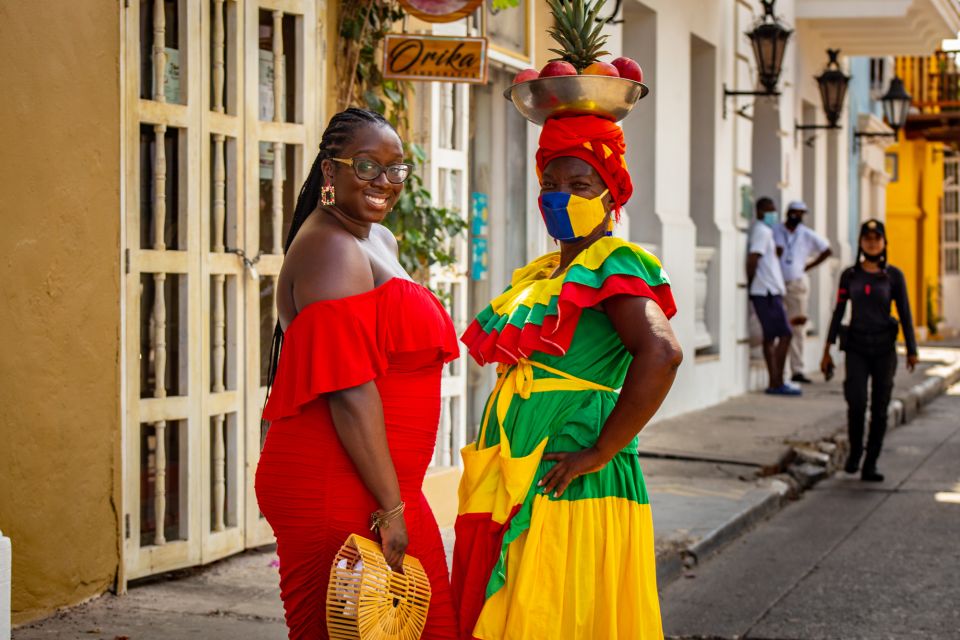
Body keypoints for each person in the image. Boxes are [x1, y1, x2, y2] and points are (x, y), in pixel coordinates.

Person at [452, 115, 683, 639]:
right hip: (516, 461)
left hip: (568, 464)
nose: (560, 197)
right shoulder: (545, 273)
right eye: (550, 185)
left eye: (579, 185)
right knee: (521, 604)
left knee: (553, 604)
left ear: (610, 196)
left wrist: (601, 451)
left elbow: (662, 353)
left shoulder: (615, 264)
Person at [254, 108, 459, 639]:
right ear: (331, 172)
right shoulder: (331, 247)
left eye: (396, 170)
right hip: (339, 482)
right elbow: (348, 390)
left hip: (378, 482)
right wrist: (390, 509)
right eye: (367, 166)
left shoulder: (377, 239)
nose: (384, 183)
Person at [821, 219, 918, 482]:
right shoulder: (850, 276)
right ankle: (855, 453)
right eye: (867, 238)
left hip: (884, 349)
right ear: (862, 242)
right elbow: (839, 311)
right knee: (856, 402)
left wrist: (912, 349)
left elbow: (905, 314)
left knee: (880, 407)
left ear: (885, 243)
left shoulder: (893, 276)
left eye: (877, 238)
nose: (872, 243)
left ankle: (871, 463)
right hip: (857, 347)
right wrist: (827, 349)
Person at [773, 200, 832, 384]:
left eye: (800, 213)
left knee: (797, 327)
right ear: (788, 212)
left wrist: (808, 266)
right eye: (794, 212)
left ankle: (797, 369)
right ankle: (778, 370)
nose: (797, 216)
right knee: (777, 326)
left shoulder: (806, 234)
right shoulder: (775, 231)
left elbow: (827, 250)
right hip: (776, 283)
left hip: (796, 284)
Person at [748, 197, 800, 396]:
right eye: (770, 210)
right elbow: (753, 258)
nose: (773, 214)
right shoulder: (762, 231)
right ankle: (777, 381)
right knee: (785, 334)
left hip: (768, 290)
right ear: (760, 212)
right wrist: (752, 284)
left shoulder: (763, 231)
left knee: (770, 337)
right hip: (767, 291)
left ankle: (775, 381)